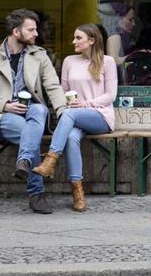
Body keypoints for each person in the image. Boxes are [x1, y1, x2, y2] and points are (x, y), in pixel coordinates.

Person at [0, 8, 67, 214]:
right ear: (16, 32)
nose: (36, 34)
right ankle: (36, 193)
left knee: (39, 110)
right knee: (28, 131)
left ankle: (23, 161)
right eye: (31, 30)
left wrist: (62, 112)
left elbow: (53, 87)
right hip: (2, 116)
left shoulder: (40, 56)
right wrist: (4, 105)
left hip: (32, 113)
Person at [33, 24, 116, 212]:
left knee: (70, 114)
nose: (74, 42)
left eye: (78, 38)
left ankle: (50, 160)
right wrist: (68, 103)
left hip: (99, 116)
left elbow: (111, 95)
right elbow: (62, 91)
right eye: (74, 37)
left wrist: (85, 104)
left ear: (92, 40)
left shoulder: (108, 62)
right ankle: (78, 195)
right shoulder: (69, 61)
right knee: (71, 138)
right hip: (75, 116)